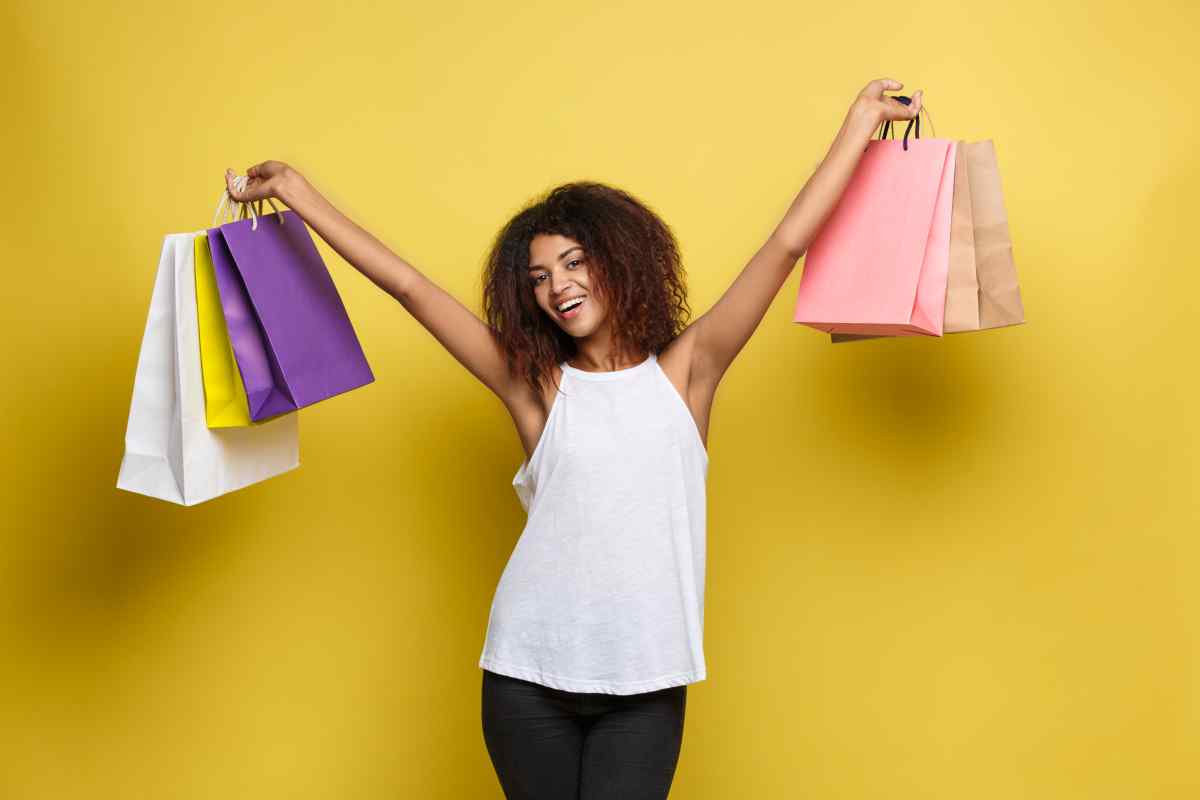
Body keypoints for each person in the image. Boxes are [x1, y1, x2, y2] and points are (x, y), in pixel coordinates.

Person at [224, 78, 923, 800]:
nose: (558, 286)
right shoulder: (537, 390)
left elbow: (786, 245)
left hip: (646, 685)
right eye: (538, 277)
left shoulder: (689, 374)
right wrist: (298, 193)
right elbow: (410, 287)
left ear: (620, 262)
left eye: (574, 262)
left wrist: (861, 123)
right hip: (527, 679)